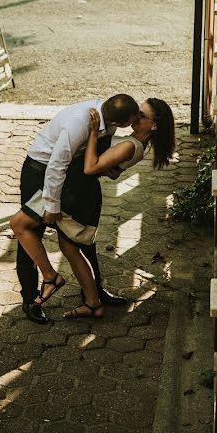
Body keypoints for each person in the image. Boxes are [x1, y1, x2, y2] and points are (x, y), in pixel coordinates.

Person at [9, 95, 139, 324]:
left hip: (69, 173)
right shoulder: (80, 123)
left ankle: (93, 294)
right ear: (121, 122)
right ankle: (30, 299)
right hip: (40, 171)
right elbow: (56, 165)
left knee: (80, 235)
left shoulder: (105, 120)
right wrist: (52, 205)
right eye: (134, 118)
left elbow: (93, 157)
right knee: (31, 234)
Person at [55, 98, 175, 319]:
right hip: (87, 195)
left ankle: (92, 301)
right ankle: (94, 293)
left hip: (82, 196)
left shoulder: (130, 145)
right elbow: (114, 171)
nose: (134, 118)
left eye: (141, 116)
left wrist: (92, 132)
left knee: (70, 247)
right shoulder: (136, 144)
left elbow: (90, 168)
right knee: (82, 245)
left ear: (154, 125)